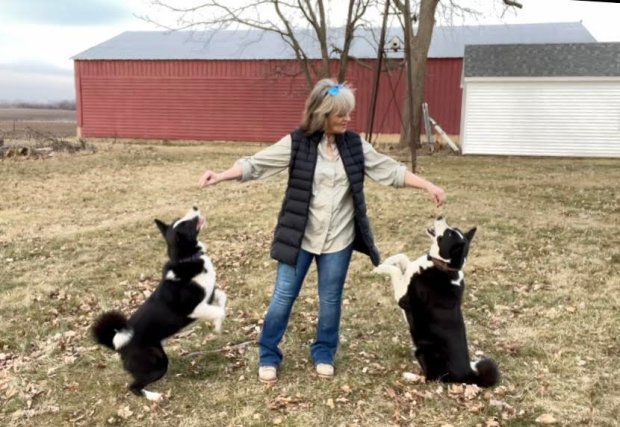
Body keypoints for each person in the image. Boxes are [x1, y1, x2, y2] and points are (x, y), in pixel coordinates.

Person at [198, 78, 446, 384]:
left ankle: (324, 352)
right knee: (283, 297)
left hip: (338, 240)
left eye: (348, 112)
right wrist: (221, 175)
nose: (347, 118)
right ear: (322, 113)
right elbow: (256, 164)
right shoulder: (298, 142)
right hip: (299, 238)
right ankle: (268, 354)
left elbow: (389, 170)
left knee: (331, 300)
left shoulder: (354, 146)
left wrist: (427, 185)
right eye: (340, 113)